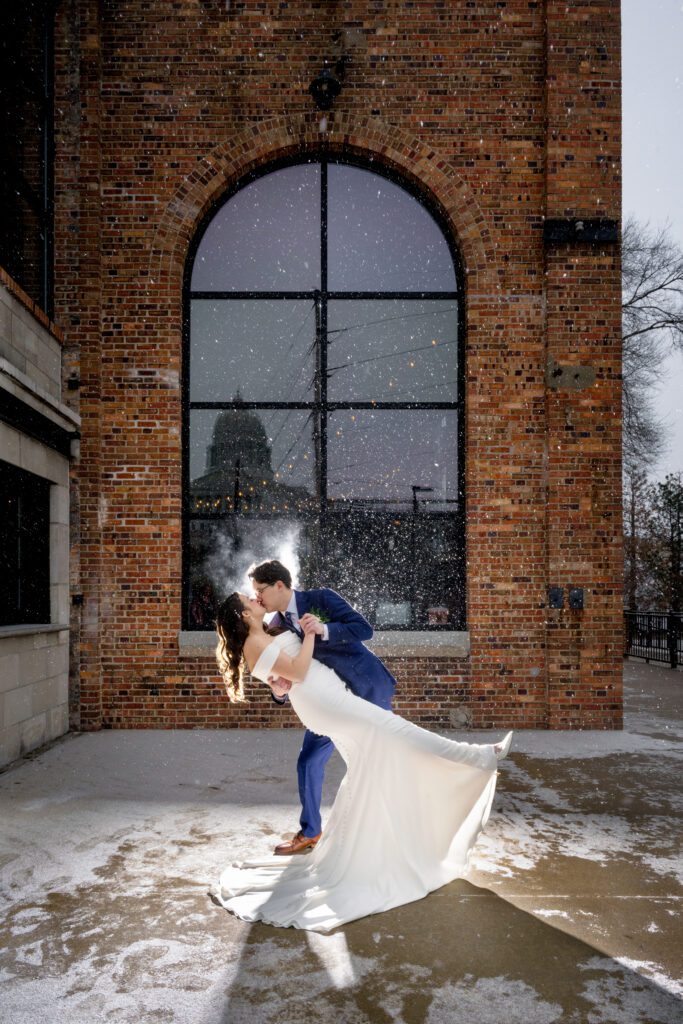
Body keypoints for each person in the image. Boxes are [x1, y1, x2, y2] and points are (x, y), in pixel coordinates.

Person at [212, 591, 513, 933]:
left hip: (329, 697)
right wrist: (309, 635)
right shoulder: (254, 642)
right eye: (248, 599)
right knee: (395, 730)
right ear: (243, 615)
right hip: (324, 702)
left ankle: (365, 851)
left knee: (367, 766)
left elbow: (282, 676)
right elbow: (297, 669)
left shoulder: (266, 631)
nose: (255, 598)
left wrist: (283, 679)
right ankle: (479, 755)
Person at [247, 559, 397, 855]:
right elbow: (285, 672)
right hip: (328, 704)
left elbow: (364, 629)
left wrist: (324, 628)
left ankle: (389, 827)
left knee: (380, 757)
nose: (258, 598)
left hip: (365, 688)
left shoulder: (320, 599)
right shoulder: (274, 626)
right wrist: (278, 692)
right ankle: (311, 832)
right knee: (308, 761)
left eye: (260, 590)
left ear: (279, 585)